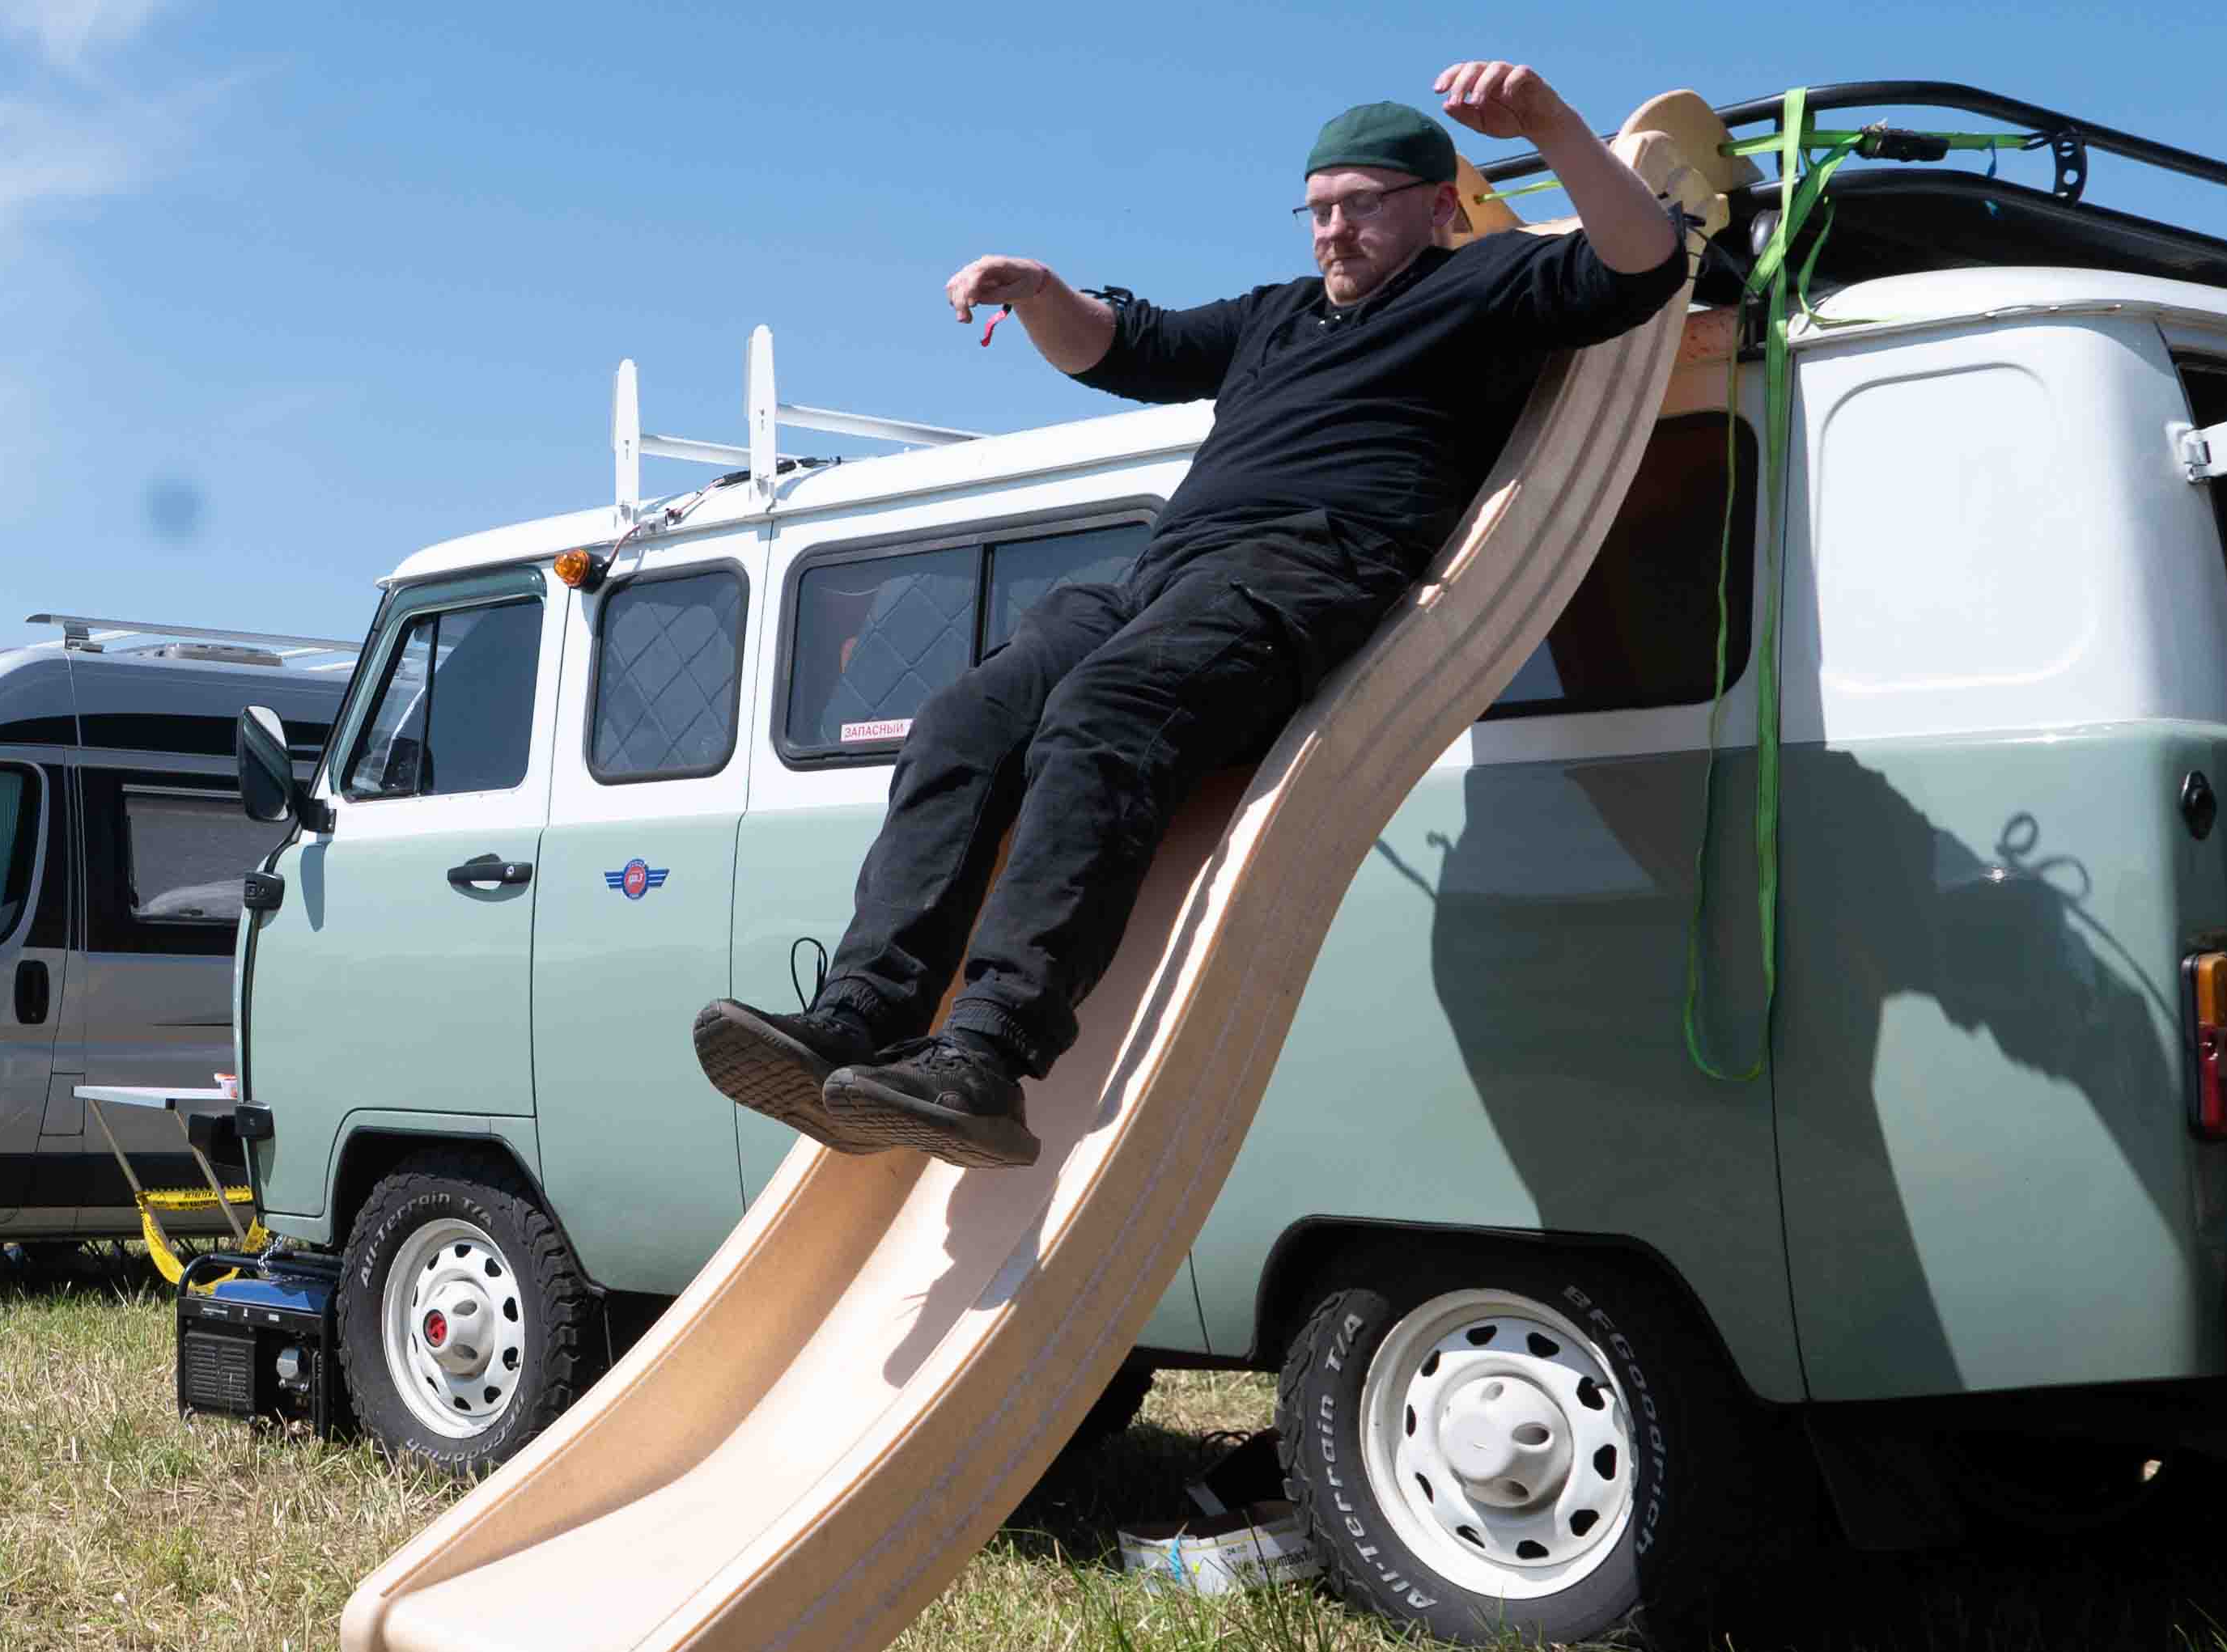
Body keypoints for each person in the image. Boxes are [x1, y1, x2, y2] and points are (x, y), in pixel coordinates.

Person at [691, 62, 1691, 1169]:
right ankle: (861, 1015)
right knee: (965, 717)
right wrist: (1039, 293)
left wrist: (1548, 126)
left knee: (1104, 712)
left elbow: (1640, 265)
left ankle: (985, 1054)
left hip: (1302, 569)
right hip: (1158, 577)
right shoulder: (1276, 316)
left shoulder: (1485, 285)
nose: (1334, 230)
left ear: (1438, 205)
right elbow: (1129, 347)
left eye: (1362, 205)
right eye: (1318, 208)